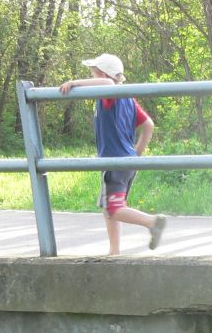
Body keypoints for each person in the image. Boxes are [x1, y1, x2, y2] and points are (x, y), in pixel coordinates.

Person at [59, 53, 167, 255]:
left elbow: (108, 83)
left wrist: (74, 83)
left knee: (113, 208)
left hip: (115, 160)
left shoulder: (109, 94)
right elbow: (148, 125)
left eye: (93, 74)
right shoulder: (128, 98)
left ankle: (152, 223)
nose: (91, 79)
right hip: (126, 159)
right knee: (110, 206)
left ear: (102, 74)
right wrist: (136, 154)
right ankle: (114, 252)